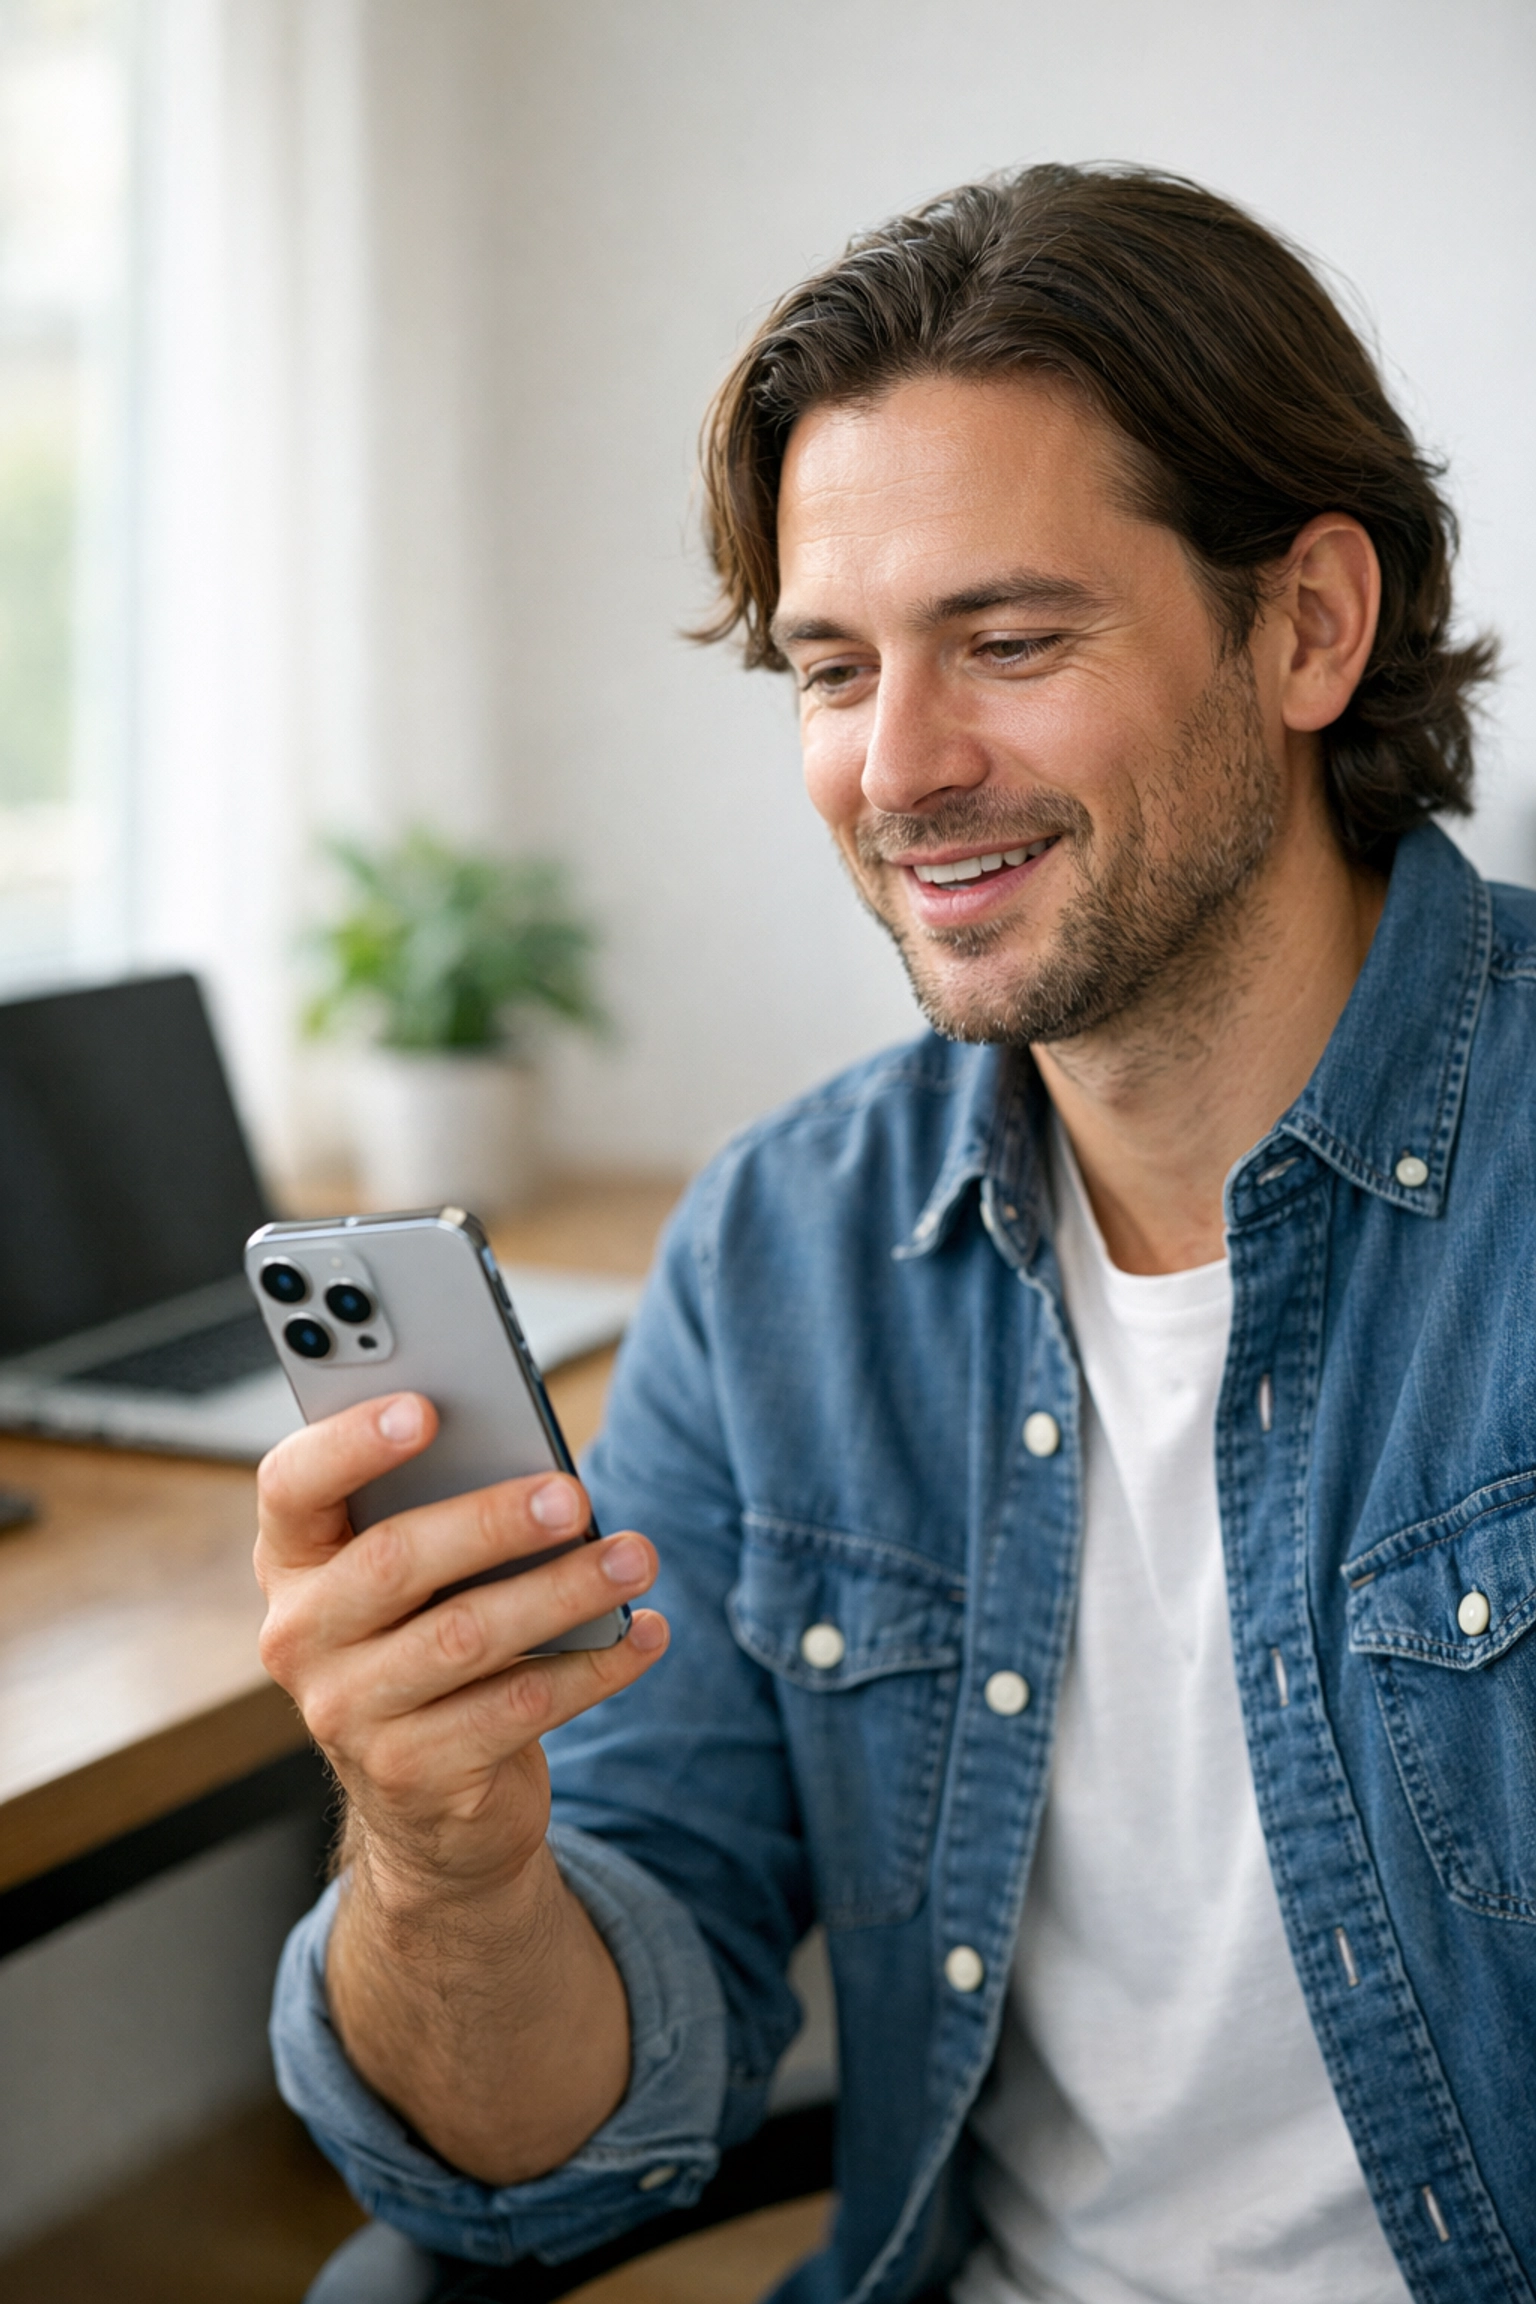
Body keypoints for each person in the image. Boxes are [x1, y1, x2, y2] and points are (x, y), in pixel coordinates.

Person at [260, 166, 1536, 2304]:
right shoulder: (783, 1255)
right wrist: (443, 1857)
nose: (900, 768)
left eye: (1010, 643)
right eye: (833, 669)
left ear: (1313, 623)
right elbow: (545, 2161)